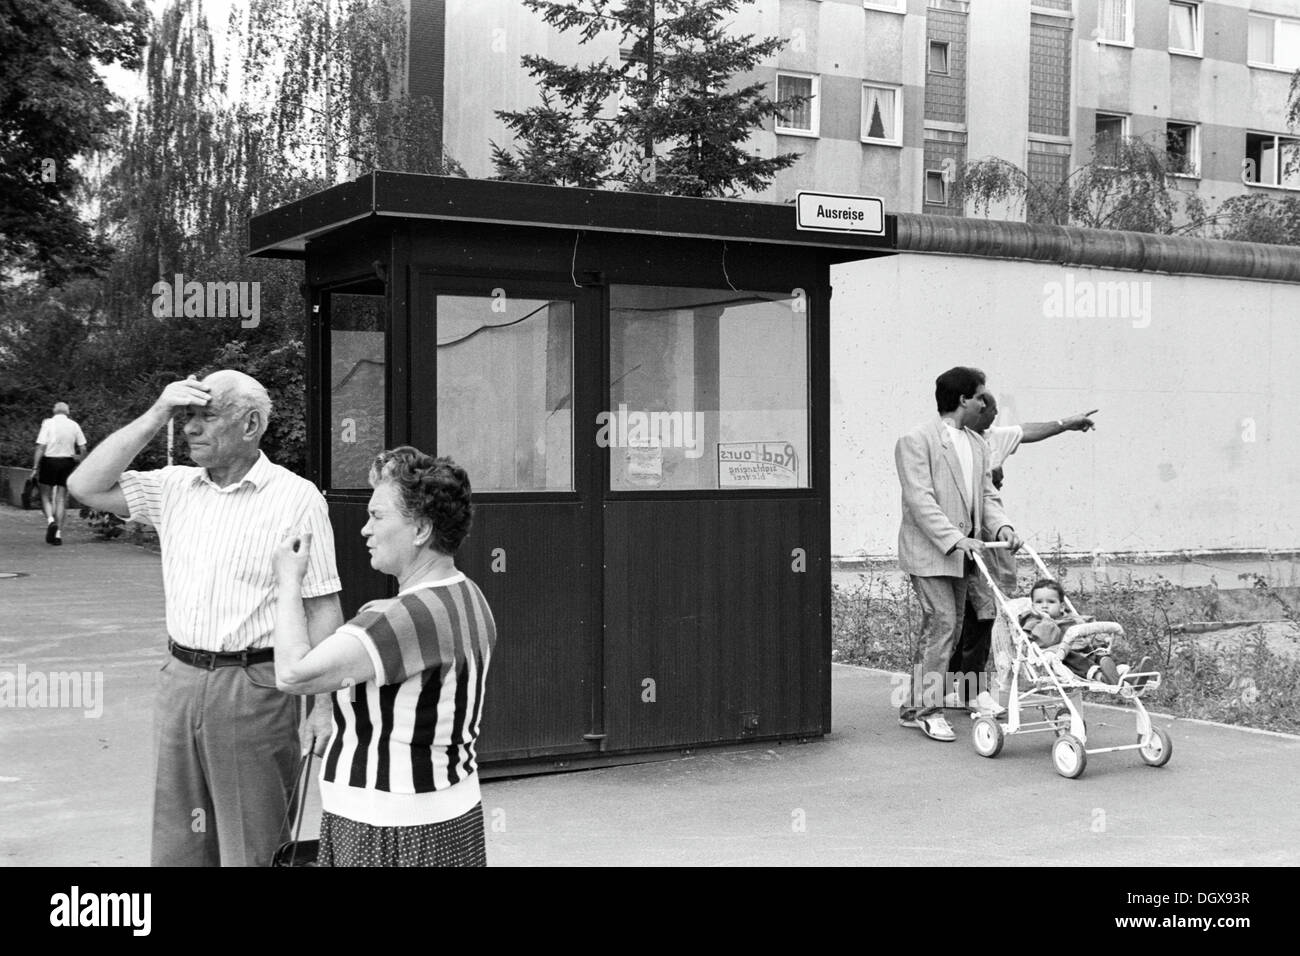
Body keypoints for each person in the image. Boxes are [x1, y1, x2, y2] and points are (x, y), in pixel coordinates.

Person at [67, 370, 343, 866]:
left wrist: (323, 707)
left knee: (254, 842)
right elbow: (83, 485)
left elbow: (320, 604)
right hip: (181, 680)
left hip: (254, 686)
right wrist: (157, 413)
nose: (191, 429)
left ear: (251, 423)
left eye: (205, 416)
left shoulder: (295, 497)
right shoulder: (173, 487)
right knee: (180, 838)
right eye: (186, 417)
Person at [271, 447, 496, 867]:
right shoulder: (469, 595)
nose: (364, 531)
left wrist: (288, 580)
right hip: (451, 818)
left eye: (377, 516)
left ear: (420, 530)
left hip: (386, 829)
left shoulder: (398, 618)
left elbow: (292, 673)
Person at [895, 367, 1022, 741]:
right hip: (931, 552)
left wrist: (1002, 527)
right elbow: (920, 500)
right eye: (981, 395)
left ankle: (935, 700)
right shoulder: (916, 440)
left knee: (964, 623)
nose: (986, 402)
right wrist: (954, 538)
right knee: (944, 624)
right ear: (963, 399)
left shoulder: (978, 444)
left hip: (966, 553)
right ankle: (925, 710)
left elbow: (986, 497)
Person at [946, 395, 1097, 707]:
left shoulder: (990, 440)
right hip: (953, 541)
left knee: (983, 615)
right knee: (952, 621)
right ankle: (940, 693)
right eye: (990, 412)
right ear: (971, 409)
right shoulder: (949, 444)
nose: (994, 417)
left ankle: (967, 691)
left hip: (986, 539)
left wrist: (1066, 424)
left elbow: (1026, 432)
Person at [1019, 578, 1152, 688]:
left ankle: (1127, 675)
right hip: (1060, 656)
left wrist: (1099, 638)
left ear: (1062, 606)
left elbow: (1086, 632)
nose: (1044, 606)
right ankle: (1102, 676)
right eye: (1039, 602)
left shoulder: (1070, 619)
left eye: (1051, 602)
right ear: (1032, 606)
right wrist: (1046, 619)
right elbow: (1047, 639)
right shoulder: (1034, 622)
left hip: (1085, 651)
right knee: (1073, 657)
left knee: (1100, 652)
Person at [31, 402, 88, 545]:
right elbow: (83, 448)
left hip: (49, 462)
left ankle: (51, 521)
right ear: (67, 412)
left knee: (45, 495)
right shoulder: (74, 425)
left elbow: (41, 446)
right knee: (61, 498)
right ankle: (58, 535)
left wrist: (35, 467)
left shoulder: (48, 423)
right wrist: (80, 460)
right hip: (67, 462)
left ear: (54, 411)